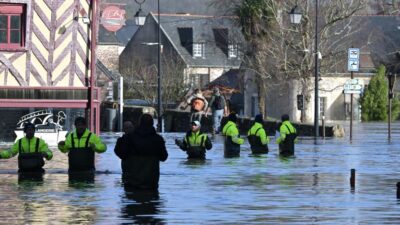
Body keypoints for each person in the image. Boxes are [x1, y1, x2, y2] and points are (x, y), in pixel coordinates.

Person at [120, 113, 168, 190]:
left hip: (132, 180)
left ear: (139, 123)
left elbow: (121, 154)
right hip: (151, 181)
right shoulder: (158, 139)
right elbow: (164, 157)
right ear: (152, 123)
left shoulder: (129, 137)